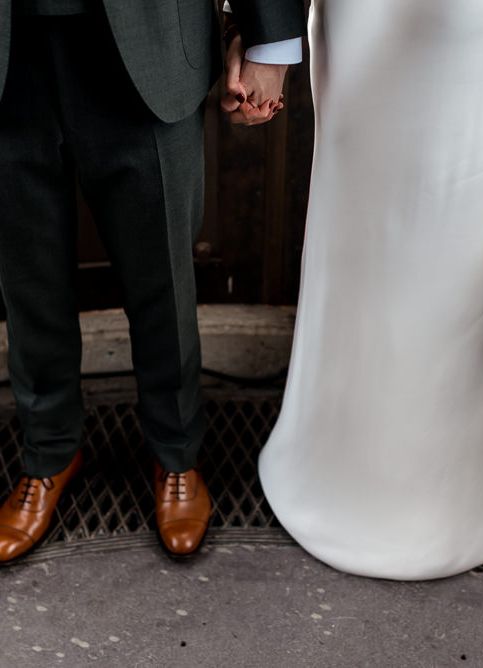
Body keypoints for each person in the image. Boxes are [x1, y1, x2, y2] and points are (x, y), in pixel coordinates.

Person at [223, 0, 483, 580]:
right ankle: (332, 466)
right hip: (367, 24)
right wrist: (267, 36)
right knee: (361, 243)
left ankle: (454, 497)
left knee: (479, 255)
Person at [0, 0, 306, 563]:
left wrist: (269, 38)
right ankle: (48, 452)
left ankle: (176, 452)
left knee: (162, 274)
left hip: (148, 34)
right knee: (26, 274)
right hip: (10, 42)